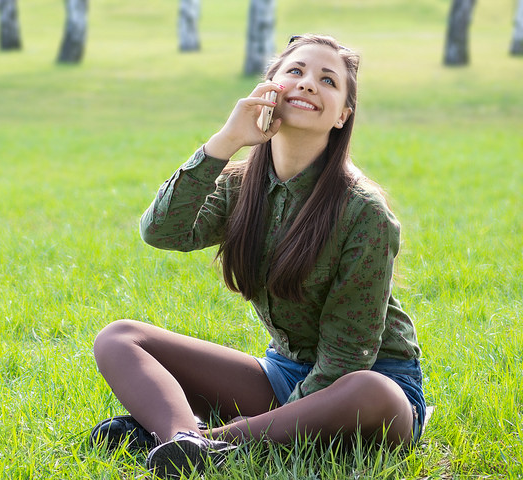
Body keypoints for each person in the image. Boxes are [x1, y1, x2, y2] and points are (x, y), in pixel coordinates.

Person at [91, 34, 426, 478]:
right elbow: (162, 231)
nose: (308, 84)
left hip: (365, 391)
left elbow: (348, 359)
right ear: (269, 89)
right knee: (118, 339)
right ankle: (184, 438)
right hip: (282, 374)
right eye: (295, 71)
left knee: (370, 390)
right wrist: (226, 140)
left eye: (327, 80)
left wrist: (265, 419)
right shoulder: (240, 185)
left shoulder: (364, 212)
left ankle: (206, 441)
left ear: (343, 114)